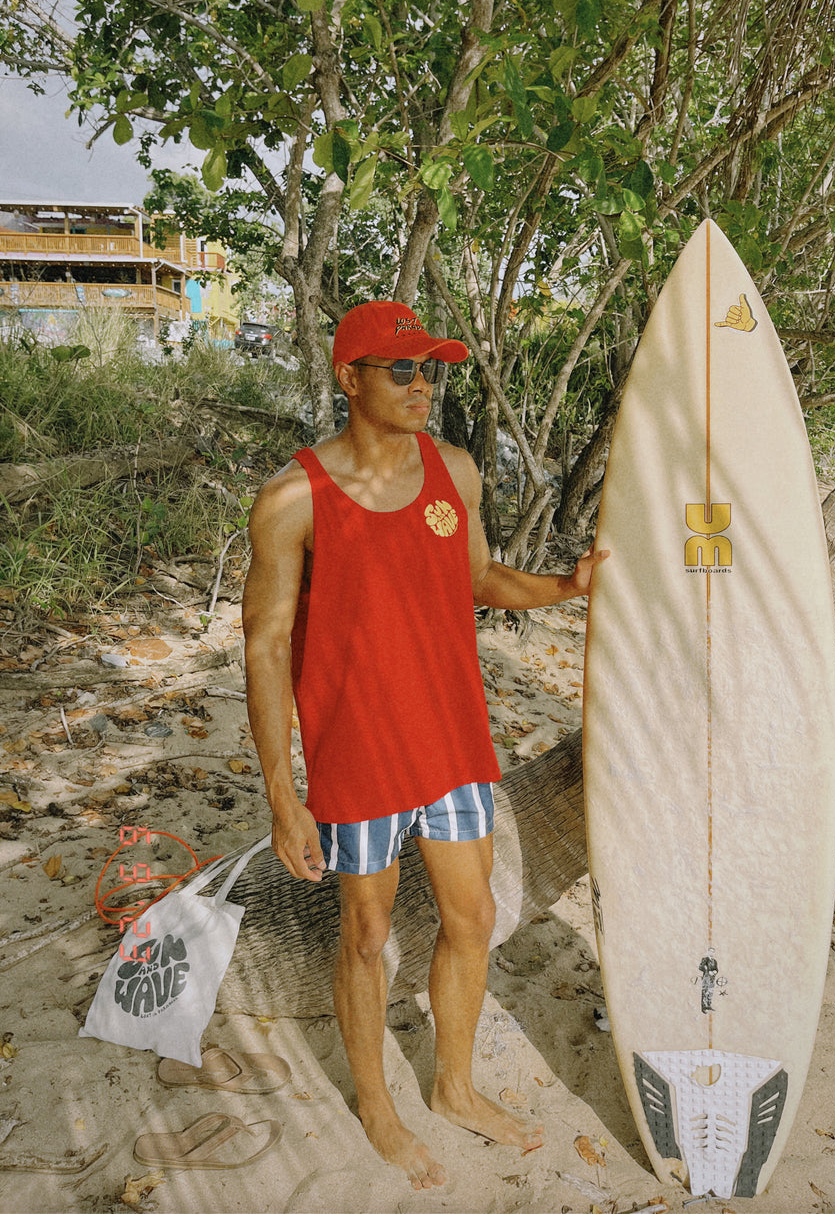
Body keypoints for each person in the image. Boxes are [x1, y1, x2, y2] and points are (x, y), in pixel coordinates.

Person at [242, 299, 606, 1191]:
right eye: (400, 368)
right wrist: (283, 796)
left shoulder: (456, 472)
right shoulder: (295, 498)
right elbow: (263, 647)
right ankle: (376, 1103)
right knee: (365, 936)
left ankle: (454, 1085)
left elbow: (480, 579)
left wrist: (568, 584)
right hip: (356, 754)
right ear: (348, 377)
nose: (421, 384)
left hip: (449, 741)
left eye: (430, 368)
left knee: (471, 919)